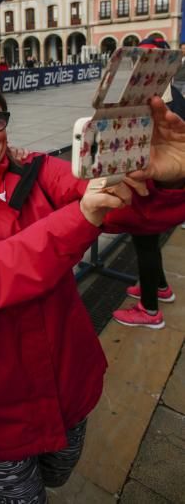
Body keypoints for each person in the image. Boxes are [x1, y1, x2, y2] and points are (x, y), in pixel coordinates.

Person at [0, 55, 185, 503]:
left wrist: (167, 179)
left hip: (68, 380)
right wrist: (82, 216)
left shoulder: (38, 169)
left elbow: (129, 209)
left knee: (59, 472)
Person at [113, 36, 185, 328]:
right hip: (165, 187)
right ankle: (159, 287)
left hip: (154, 186)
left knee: (145, 242)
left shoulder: (156, 100)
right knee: (149, 241)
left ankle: (150, 310)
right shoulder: (174, 93)